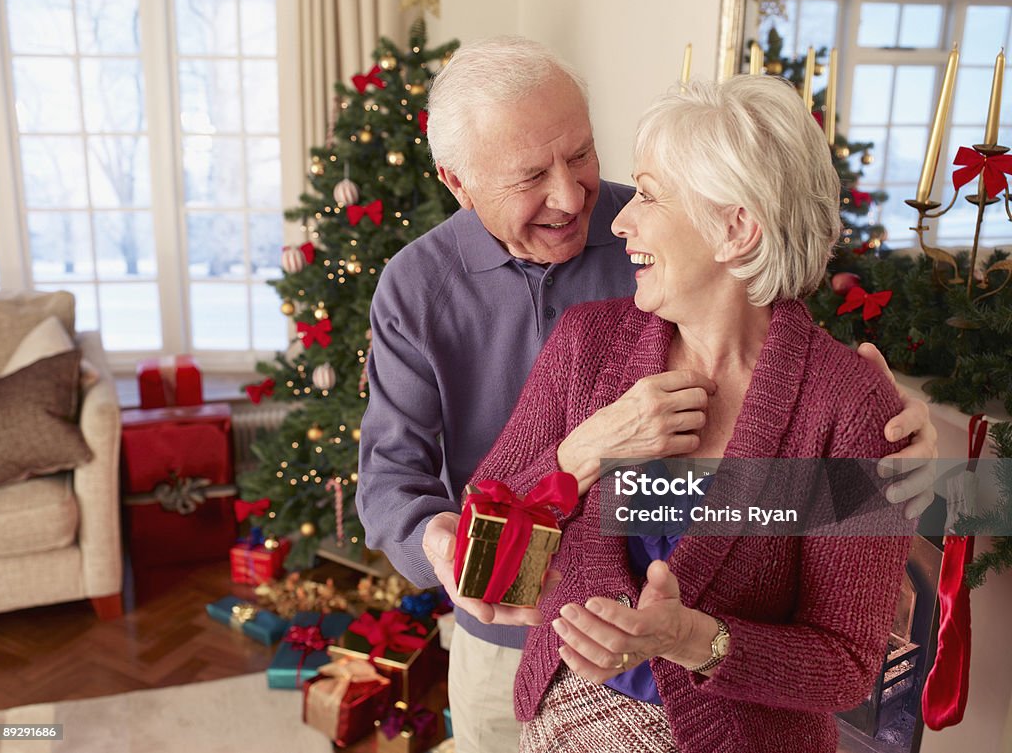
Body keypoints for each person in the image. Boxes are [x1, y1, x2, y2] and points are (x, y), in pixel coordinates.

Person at [356, 37, 936, 753]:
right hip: (516, 650)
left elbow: (775, 314)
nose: (577, 200)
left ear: (734, 228)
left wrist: (886, 428)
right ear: (458, 180)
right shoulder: (422, 290)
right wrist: (560, 469)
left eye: (581, 156)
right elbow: (408, 489)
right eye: (531, 175)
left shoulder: (668, 231)